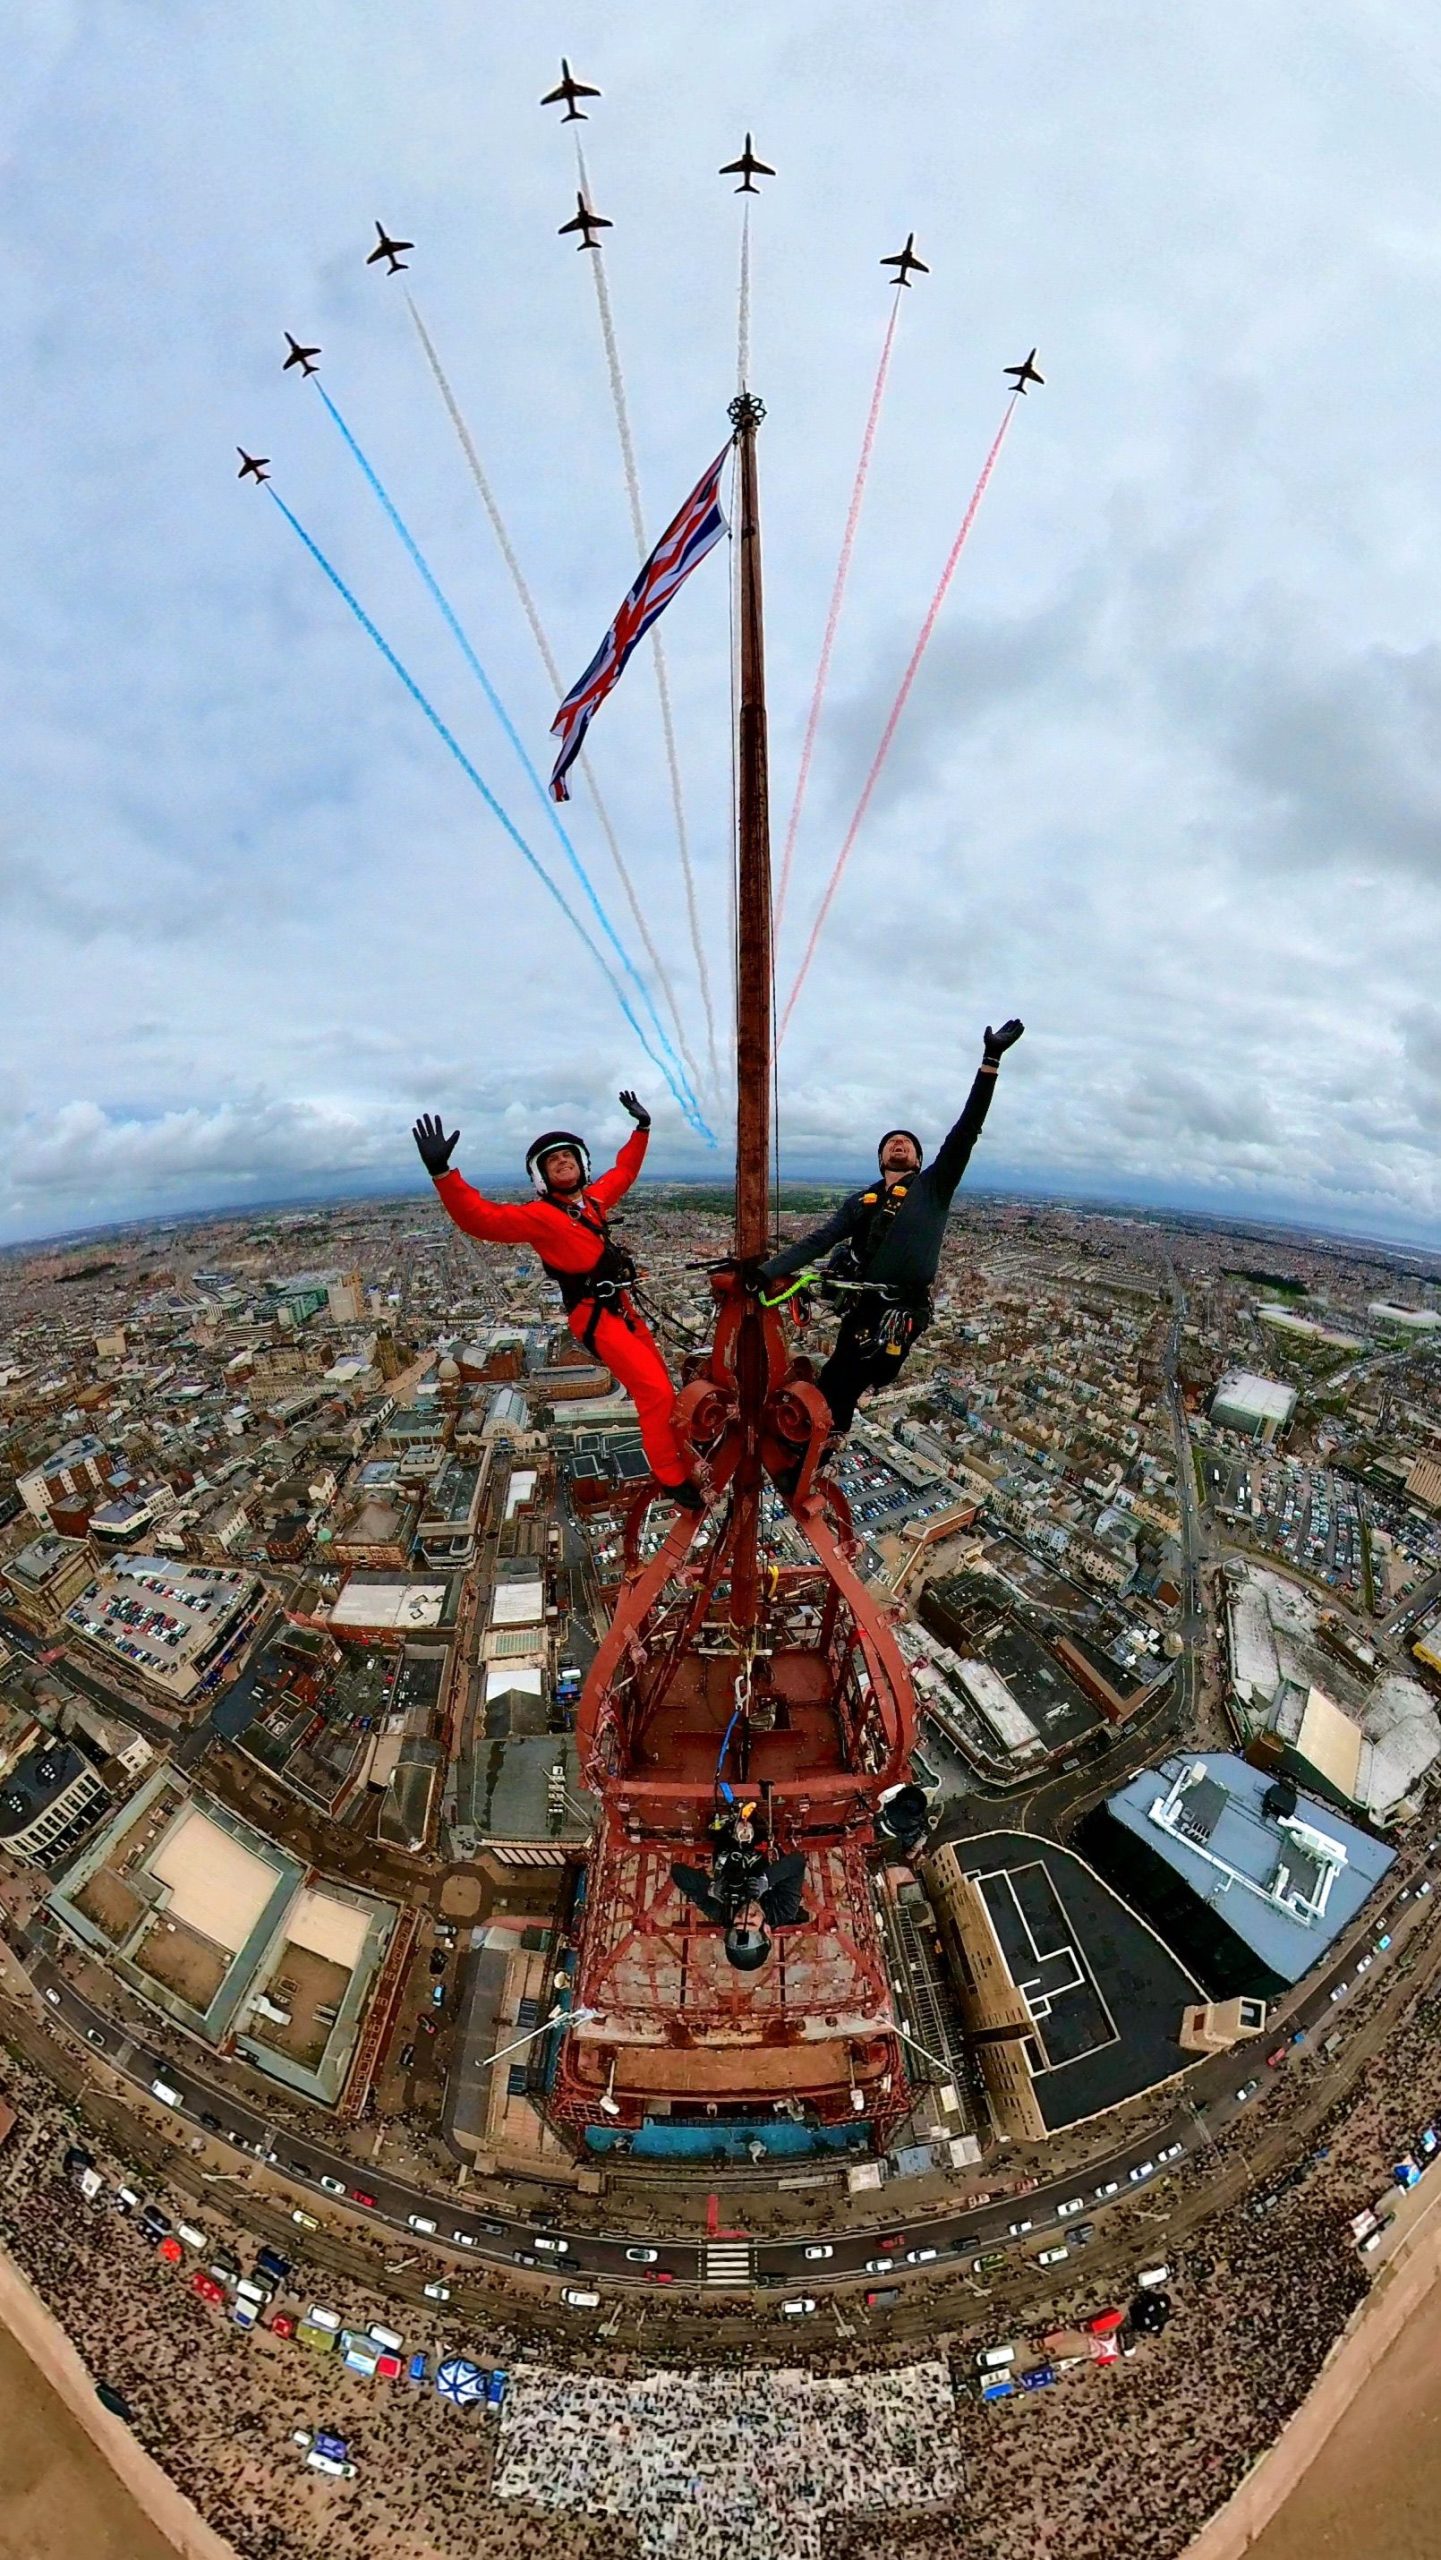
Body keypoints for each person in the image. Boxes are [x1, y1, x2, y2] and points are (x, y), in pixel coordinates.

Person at [413, 1090, 701, 1504]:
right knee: (654, 1393)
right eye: (553, 1160)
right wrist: (443, 1173)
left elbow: (625, 1170)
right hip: (594, 1316)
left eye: (568, 1156)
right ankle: (672, 1476)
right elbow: (481, 1218)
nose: (563, 1162)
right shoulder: (541, 1217)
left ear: (582, 1165)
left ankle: (684, 1451)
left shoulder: (594, 1202)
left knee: (665, 1389)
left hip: (621, 1309)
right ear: (541, 1176)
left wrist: (643, 1128)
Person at [757, 1017, 1025, 1433]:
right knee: (834, 1387)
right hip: (864, 1310)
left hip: (903, 1308)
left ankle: (819, 1447)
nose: (899, 1144)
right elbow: (820, 1239)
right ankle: (820, 1451)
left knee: (864, 1375)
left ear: (918, 1160)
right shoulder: (861, 1203)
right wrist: (765, 1272)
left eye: (908, 1143)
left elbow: (966, 1130)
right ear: (882, 1159)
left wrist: (990, 1061)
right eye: (891, 1142)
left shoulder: (934, 1188)